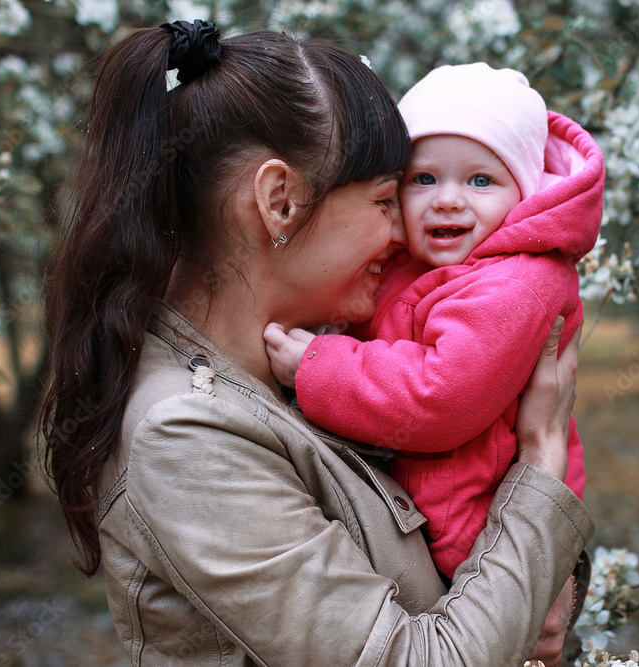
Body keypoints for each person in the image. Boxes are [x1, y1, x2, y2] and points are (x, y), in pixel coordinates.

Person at [40, 19, 593, 666]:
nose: (402, 235)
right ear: (279, 201)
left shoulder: (309, 364)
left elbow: (486, 563)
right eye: (389, 198)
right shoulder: (185, 433)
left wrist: (558, 583)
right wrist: (540, 464)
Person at [264, 63, 604, 578]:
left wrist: (317, 365)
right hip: (423, 518)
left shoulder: (516, 283)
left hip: (478, 539)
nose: (447, 198)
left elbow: (441, 394)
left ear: (526, 194)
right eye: (424, 178)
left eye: (481, 180)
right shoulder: (418, 263)